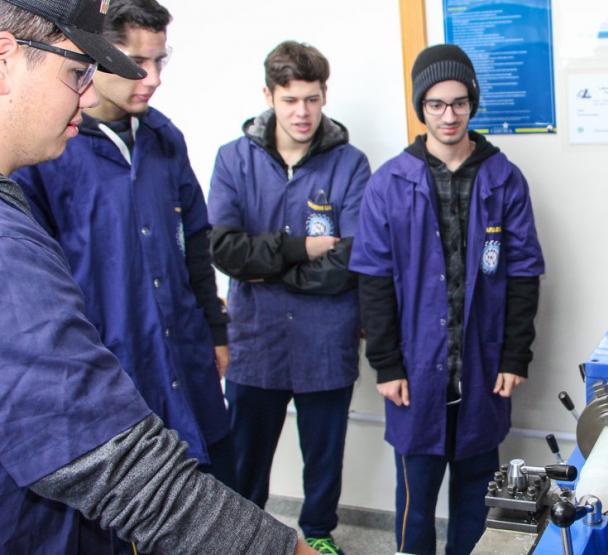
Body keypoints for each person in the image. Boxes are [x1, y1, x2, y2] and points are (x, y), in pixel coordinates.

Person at [0, 0, 316, 553]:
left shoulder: (165, 139)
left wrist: (215, 332)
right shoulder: (36, 185)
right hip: (108, 379)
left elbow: (197, 243)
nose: (90, 90)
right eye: (79, 71)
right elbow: (116, 466)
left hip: (180, 366)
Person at [349, 44, 544, 555]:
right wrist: (386, 364)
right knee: (415, 497)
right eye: (436, 104)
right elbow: (372, 278)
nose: (449, 115)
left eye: (459, 102)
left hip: (483, 365)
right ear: (422, 108)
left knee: (477, 494)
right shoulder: (389, 182)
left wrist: (514, 356)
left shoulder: (504, 178)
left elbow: (524, 274)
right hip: (414, 369)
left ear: (472, 104)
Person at [207, 40, 370, 555]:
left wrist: (273, 272)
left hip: (327, 340)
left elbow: (353, 257)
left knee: (324, 455)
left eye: (312, 99)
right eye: (290, 99)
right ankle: (242, 539)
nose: (302, 112)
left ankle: (319, 536)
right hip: (256, 342)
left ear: (325, 96)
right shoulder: (234, 160)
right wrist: (299, 250)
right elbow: (224, 249)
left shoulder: (350, 164)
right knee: (246, 457)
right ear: (269, 96)